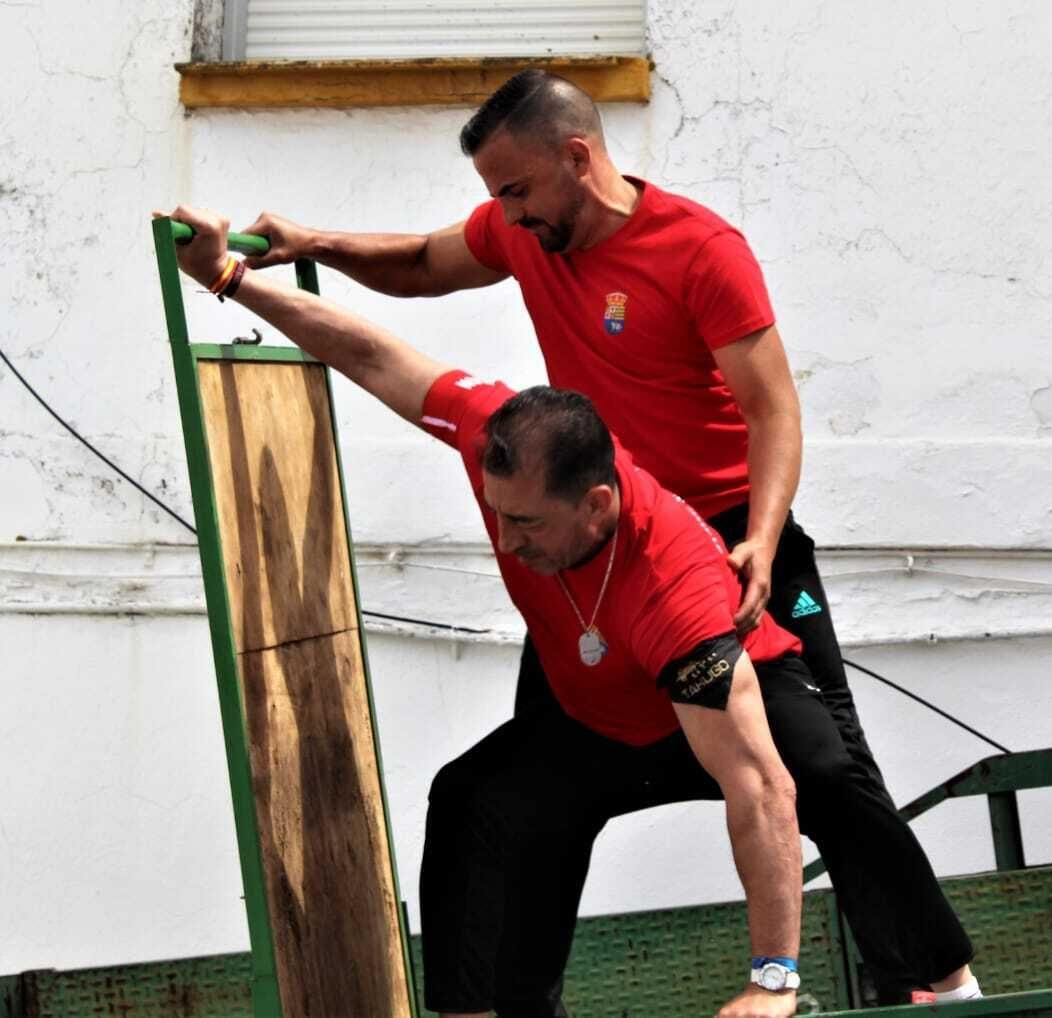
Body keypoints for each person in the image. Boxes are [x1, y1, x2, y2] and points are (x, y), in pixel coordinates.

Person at [233, 68, 980, 1005]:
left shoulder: (700, 251)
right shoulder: (525, 233)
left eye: (515, 190)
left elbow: (773, 411)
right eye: (493, 198)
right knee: (524, 796)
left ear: (576, 158)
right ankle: (517, 1000)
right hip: (585, 542)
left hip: (725, 542)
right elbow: (422, 266)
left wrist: (759, 533)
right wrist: (319, 245)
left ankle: (936, 983)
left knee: (822, 765)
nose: (504, 214)